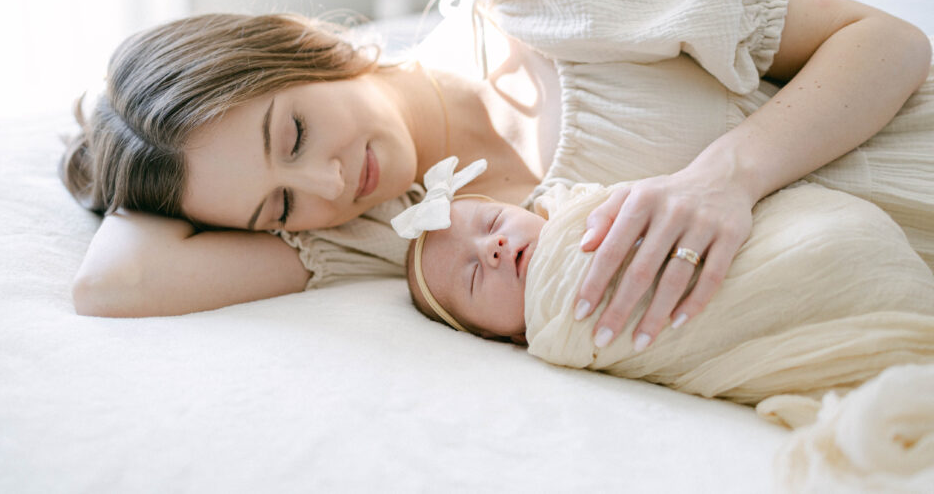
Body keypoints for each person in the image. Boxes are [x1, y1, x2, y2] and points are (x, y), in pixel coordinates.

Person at [62, 0, 933, 355]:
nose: (326, 186)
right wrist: (126, 138)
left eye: (290, 135)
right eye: (277, 205)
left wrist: (729, 176)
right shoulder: (398, 234)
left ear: (305, 43)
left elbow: (889, 41)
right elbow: (114, 285)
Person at [394, 156, 934, 427]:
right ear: (494, 337)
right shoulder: (556, 330)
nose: (493, 248)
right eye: (472, 276)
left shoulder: (575, 207)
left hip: (813, 230)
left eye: (492, 221)